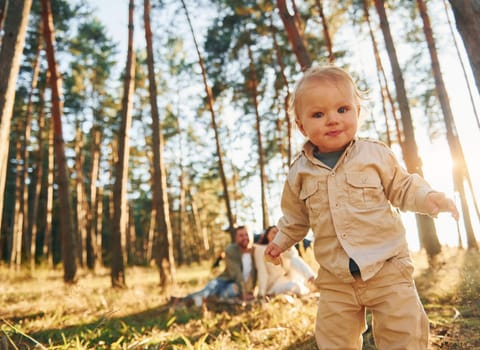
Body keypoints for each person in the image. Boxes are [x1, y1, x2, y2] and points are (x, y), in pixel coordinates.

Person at [264, 64, 459, 350]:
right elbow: (295, 218)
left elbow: (403, 187)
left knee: (403, 334)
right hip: (335, 279)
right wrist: (279, 243)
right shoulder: (299, 173)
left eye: (342, 109)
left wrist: (430, 198)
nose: (332, 120)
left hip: (387, 268)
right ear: (301, 125)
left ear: (358, 111)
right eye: (319, 114)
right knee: (333, 340)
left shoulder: (375, 155)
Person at [171, 225, 257, 307]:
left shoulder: (256, 251)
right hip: (226, 280)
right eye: (241, 235)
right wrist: (244, 293)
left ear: (251, 236)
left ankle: (206, 300)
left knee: (230, 291)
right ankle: (182, 300)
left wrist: (247, 291)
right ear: (236, 238)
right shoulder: (231, 250)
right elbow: (236, 273)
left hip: (237, 286)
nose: (245, 238)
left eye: (247, 235)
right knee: (210, 288)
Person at [254, 225, 316, 297]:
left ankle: (311, 277)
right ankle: (307, 286)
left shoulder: (284, 248)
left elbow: (294, 258)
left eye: (279, 233)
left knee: (293, 258)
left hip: (287, 279)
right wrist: (262, 293)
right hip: (273, 284)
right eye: (274, 232)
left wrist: (286, 245)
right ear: (267, 235)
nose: (276, 235)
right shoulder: (260, 249)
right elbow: (262, 271)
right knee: (295, 287)